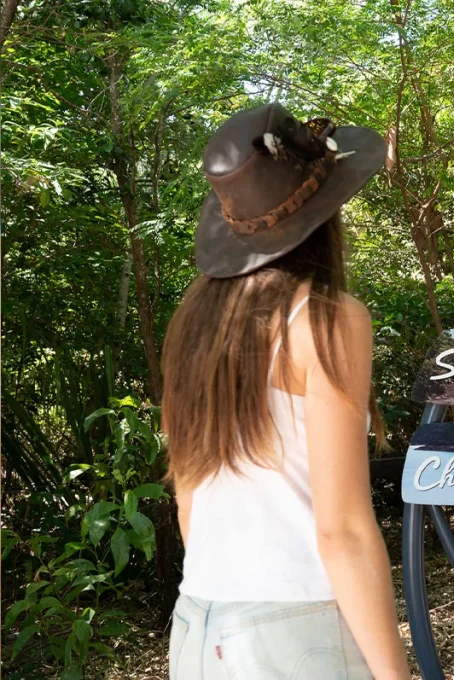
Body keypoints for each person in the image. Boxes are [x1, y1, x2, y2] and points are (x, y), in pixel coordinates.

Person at [160, 102, 410, 680]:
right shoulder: (326, 320)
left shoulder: (192, 324)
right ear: (325, 214)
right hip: (294, 633)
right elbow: (340, 529)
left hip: (198, 626)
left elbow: (188, 501)